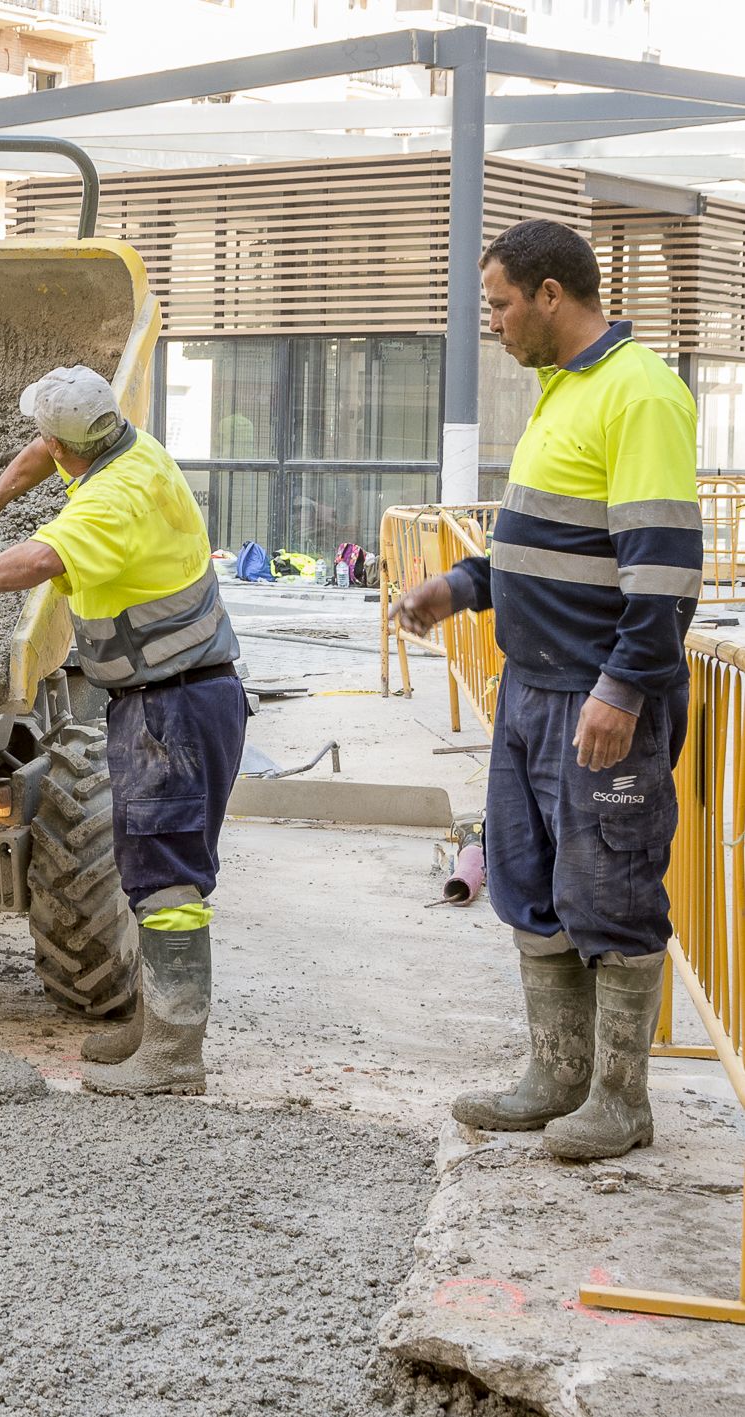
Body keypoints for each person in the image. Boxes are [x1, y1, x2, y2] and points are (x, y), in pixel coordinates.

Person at [393, 219, 700, 1161]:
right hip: (531, 687)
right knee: (528, 882)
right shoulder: (560, 389)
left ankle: (618, 1099)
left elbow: (663, 570)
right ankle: (556, 1078)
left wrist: (623, 687)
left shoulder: (638, 393)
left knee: (610, 888)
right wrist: (460, 587)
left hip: (594, 696)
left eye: (499, 304)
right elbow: (542, 543)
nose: (492, 322)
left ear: (550, 295)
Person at [0, 366, 245, 1096]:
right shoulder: (128, 446)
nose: (42, 449)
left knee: (168, 879)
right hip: (166, 695)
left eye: (47, 439)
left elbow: (41, 558)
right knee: (145, 863)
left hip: (174, 706)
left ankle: (173, 1055)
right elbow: (45, 454)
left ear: (68, 444)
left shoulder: (111, 502)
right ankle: (152, 1024)